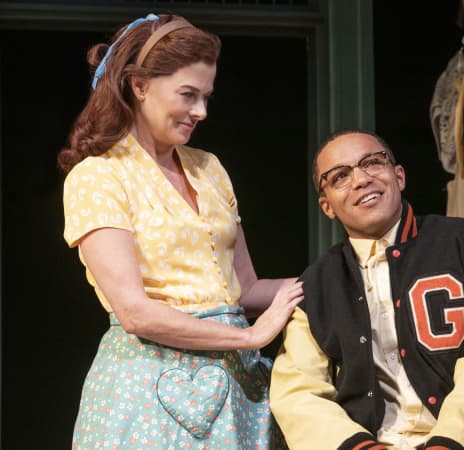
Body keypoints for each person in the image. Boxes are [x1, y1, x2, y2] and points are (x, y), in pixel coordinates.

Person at [59, 14, 302, 449]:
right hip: (149, 387)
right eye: (188, 95)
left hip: (234, 390)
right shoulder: (98, 177)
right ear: (140, 86)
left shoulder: (209, 169)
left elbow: (243, 290)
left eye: (206, 97)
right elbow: (135, 312)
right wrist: (250, 336)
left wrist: (337, 283)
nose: (201, 112)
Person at [269, 130, 464, 450]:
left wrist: (448, 442)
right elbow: (298, 393)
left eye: (372, 163)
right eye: (340, 176)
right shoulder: (316, 285)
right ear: (327, 206)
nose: (361, 179)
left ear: (398, 176)